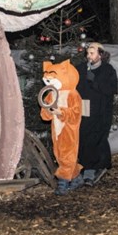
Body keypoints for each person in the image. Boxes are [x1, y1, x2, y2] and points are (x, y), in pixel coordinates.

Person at [39, 59, 84, 195]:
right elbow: (44, 115)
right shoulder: (51, 94)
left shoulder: (73, 94)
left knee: (67, 155)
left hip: (69, 130)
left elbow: (76, 114)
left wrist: (61, 112)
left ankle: (63, 183)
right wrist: (48, 110)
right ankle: (76, 178)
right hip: (57, 130)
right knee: (60, 154)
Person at [77, 42, 118, 186]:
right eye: (87, 53)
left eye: (92, 53)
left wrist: (95, 81)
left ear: (101, 54)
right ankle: (83, 169)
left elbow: (112, 89)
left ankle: (93, 170)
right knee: (83, 137)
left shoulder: (108, 70)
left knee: (96, 139)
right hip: (84, 110)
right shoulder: (81, 69)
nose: (89, 56)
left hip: (101, 112)